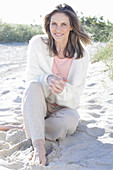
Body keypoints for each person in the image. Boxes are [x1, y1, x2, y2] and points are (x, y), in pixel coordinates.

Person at [22, 3, 92, 166]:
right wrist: (47, 79)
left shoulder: (81, 56)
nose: (57, 29)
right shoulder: (37, 43)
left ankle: (31, 126)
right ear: (48, 25)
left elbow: (74, 100)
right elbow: (30, 79)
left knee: (73, 119)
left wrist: (61, 90)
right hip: (37, 103)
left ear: (72, 27)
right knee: (34, 85)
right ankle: (38, 144)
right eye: (54, 23)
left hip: (62, 108)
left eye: (63, 24)